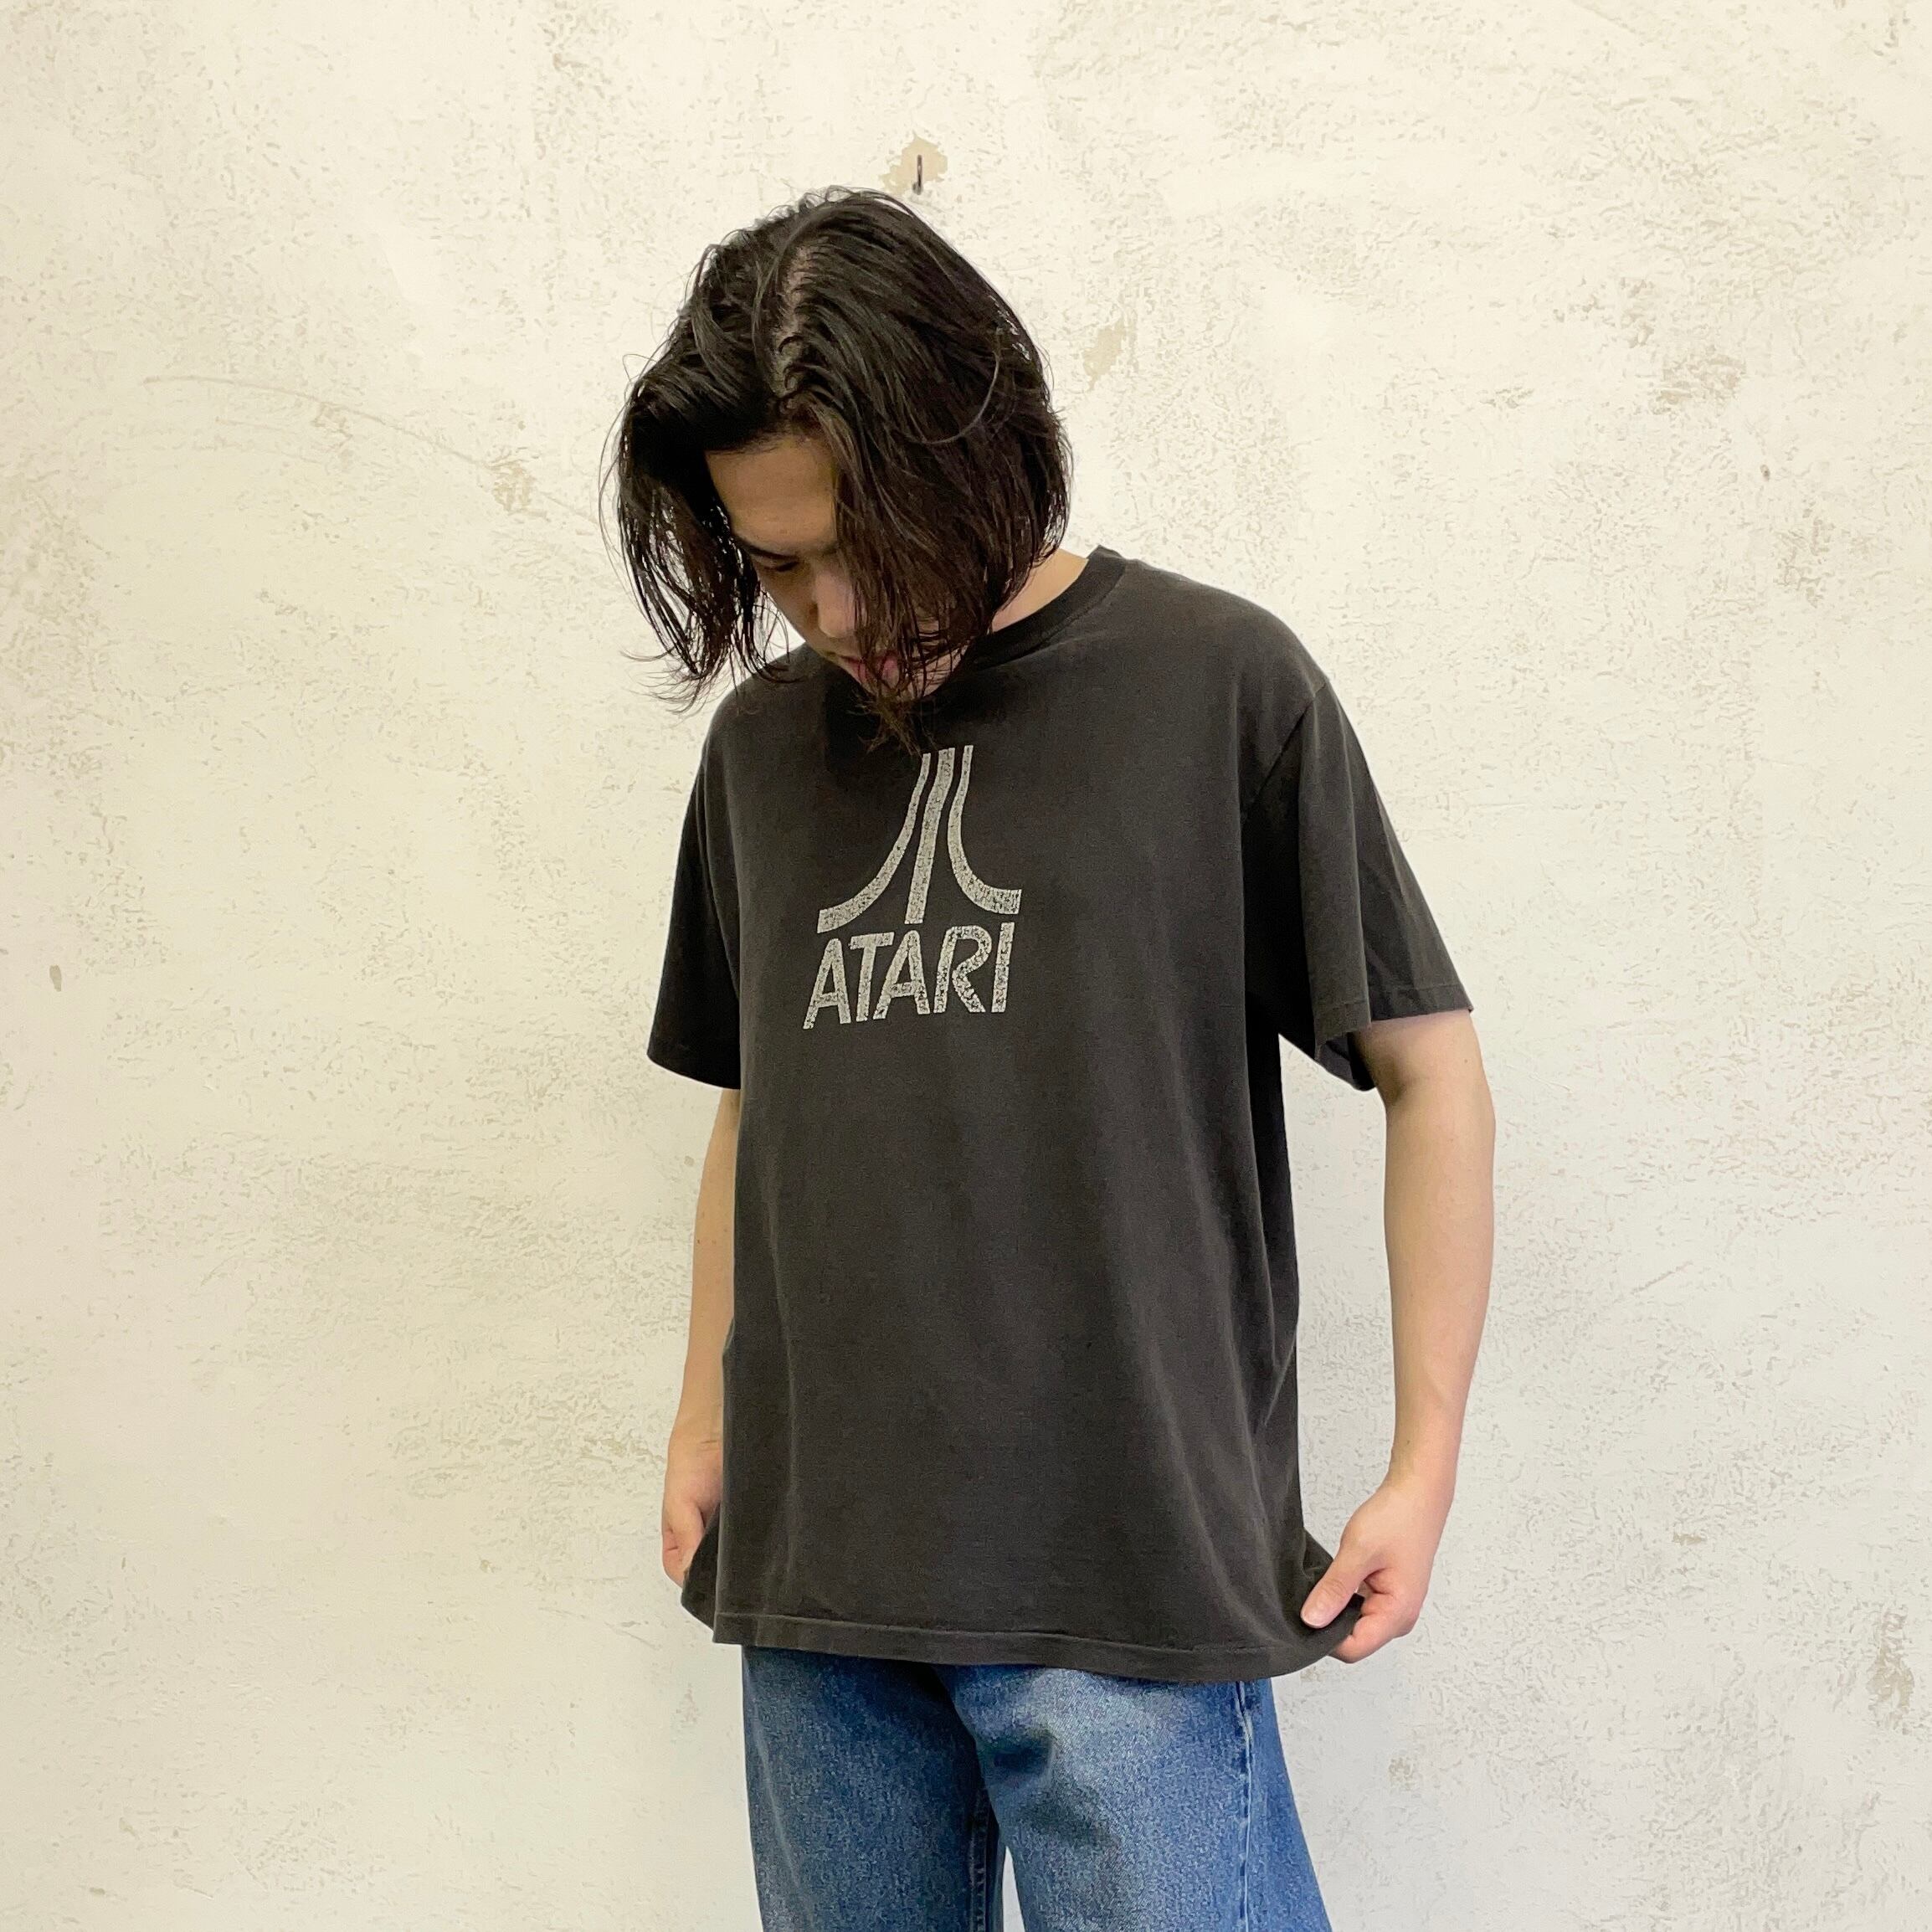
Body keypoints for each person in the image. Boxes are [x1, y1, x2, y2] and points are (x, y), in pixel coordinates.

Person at [605, 185, 1496, 1932]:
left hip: (1125, 1574)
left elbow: (1428, 1065)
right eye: (773, 564)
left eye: (860, 541)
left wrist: (1425, 1453)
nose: (832, 609)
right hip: (822, 1572)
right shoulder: (761, 752)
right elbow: (756, 1104)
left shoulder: (1215, 684)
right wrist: (706, 1412)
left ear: (975, 445)